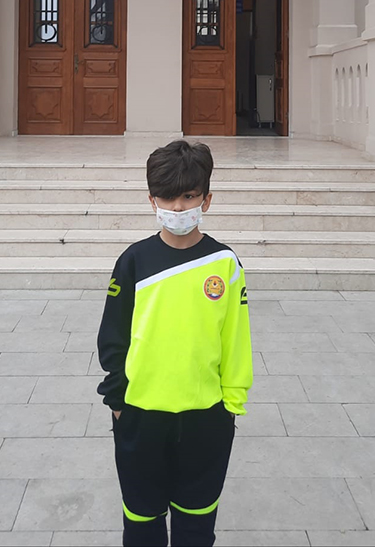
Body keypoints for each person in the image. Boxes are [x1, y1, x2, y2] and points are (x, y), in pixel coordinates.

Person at [97, 139, 253, 547]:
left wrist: (231, 404)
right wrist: (118, 401)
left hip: (206, 418)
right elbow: (113, 335)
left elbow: (236, 339)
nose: (178, 208)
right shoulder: (133, 261)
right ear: (152, 200)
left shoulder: (225, 264)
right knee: (142, 523)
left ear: (207, 199)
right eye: (168, 197)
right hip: (140, 416)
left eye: (189, 196)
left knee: (196, 526)